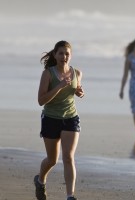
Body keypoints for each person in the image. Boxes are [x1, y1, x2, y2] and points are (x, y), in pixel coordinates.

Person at [34, 40, 84, 200]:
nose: (64, 56)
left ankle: (70, 196)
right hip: (51, 118)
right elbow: (41, 100)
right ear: (55, 55)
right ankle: (40, 181)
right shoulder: (48, 73)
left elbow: (77, 90)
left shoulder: (77, 73)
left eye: (67, 53)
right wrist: (59, 86)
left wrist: (79, 92)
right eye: (61, 53)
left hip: (70, 118)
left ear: (71, 56)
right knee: (52, 160)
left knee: (68, 157)